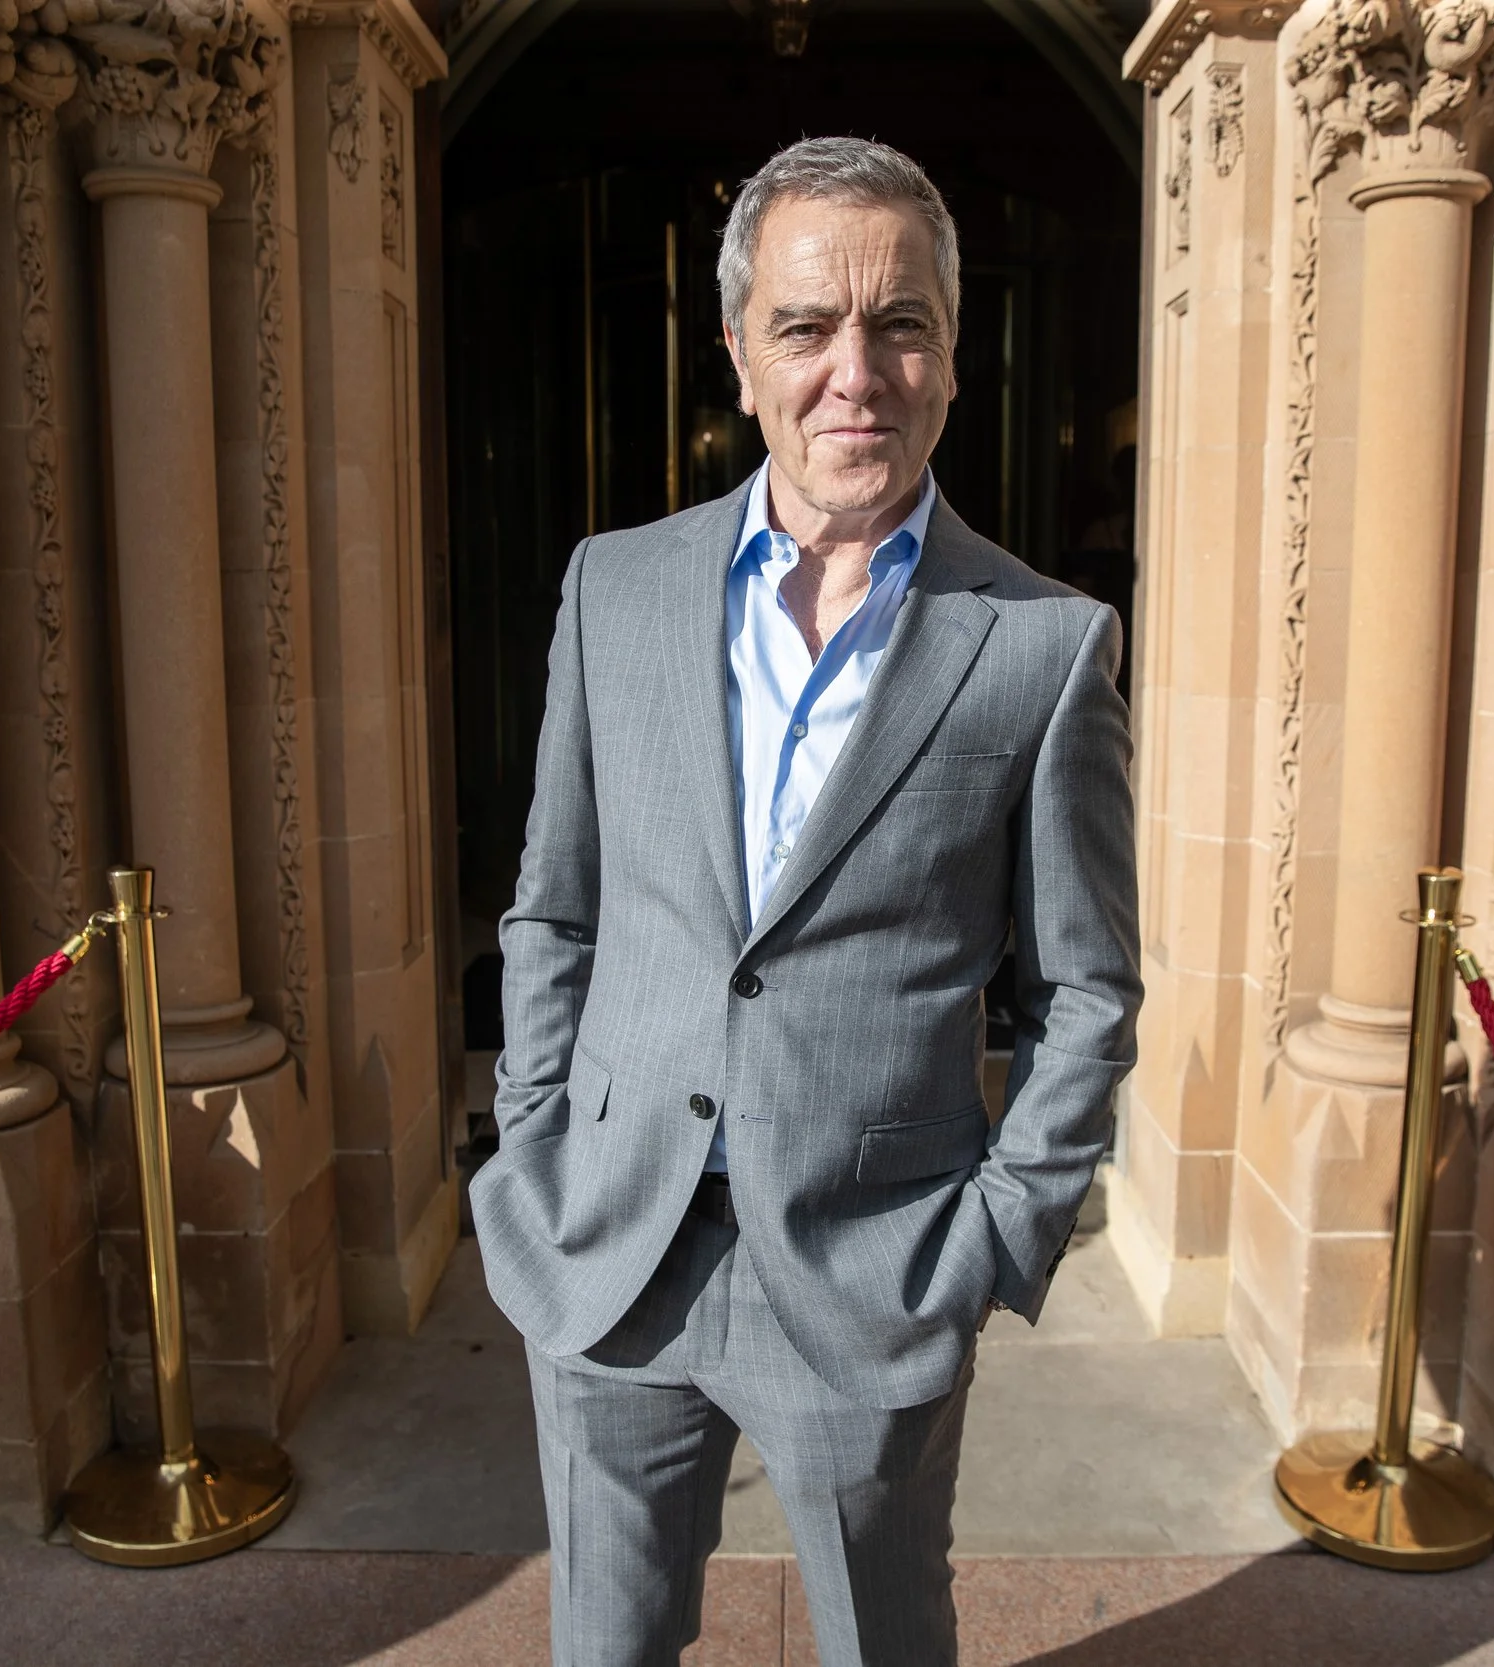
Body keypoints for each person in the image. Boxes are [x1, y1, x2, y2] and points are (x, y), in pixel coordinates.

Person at [470, 135, 1142, 1667]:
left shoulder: (1042, 645)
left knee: (884, 1643)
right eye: (806, 326)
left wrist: (993, 1239)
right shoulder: (614, 588)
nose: (857, 373)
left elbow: (1084, 991)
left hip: (876, 1267)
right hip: (609, 1243)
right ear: (739, 352)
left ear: (952, 356)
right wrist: (536, 1148)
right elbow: (555, 908)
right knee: (604, 1645)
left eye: (900, 324)